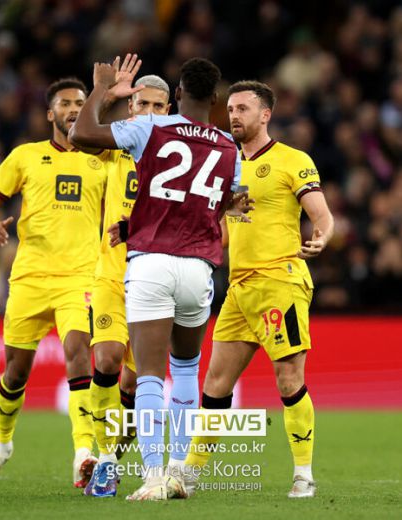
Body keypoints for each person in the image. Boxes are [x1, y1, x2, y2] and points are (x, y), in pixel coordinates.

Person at [70, 56, 252, 501]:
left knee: (149, 376)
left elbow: (80, 135)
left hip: (151, 265)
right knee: (185, 368)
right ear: (215, 99)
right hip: (198, 270)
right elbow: (220, 203)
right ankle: (178, 473)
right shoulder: (229, 147)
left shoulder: (152, 128)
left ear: (177, 94)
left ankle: (152, 476)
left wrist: (101, 89)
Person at [183, 81, 334, 499]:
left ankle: (303, 475)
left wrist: (321, 237)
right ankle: (189, 475)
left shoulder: (292, 160)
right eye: (231, 109)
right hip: (239, 287)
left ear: (265, 115)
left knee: (288, 378)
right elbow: (219, 232)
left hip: (280, 281)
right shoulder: (223, 164)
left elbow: (322, 215)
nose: (234, 115)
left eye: (243, 109)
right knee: (215, 383)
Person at [0, 78, 107, 489]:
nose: (72, 109)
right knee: (15, 373)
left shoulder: (104, 160)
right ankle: (2, 445)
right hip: (29, 278)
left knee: (78, 352)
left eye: (80, 103)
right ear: (50, 113)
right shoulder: (25, 156)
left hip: (80, 276)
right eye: (64, 103)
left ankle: (83, 452)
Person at [85, 68, 173, 498]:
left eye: (158, 106)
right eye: (143, 104)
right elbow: (81, 135)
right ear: (131, 107)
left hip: (155, 280)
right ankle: (104, 459)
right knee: (106, 360)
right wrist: (103, 93)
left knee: (135, 386)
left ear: (169, 110)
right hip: (111, 276)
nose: (150, 112)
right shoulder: (117, 147)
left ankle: (111, 460)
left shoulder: (178, 154)